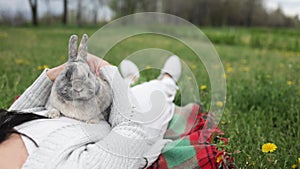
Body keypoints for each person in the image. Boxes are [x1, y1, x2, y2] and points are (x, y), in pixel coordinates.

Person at [0, 46, 182, 169]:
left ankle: (129, 81)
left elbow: (16, 115)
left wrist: (53, 76)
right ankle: (167, 81)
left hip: (79, 108)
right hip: (118, 126)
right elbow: (131, 133)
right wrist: (108, 70)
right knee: (151, 95)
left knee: (110, 89)